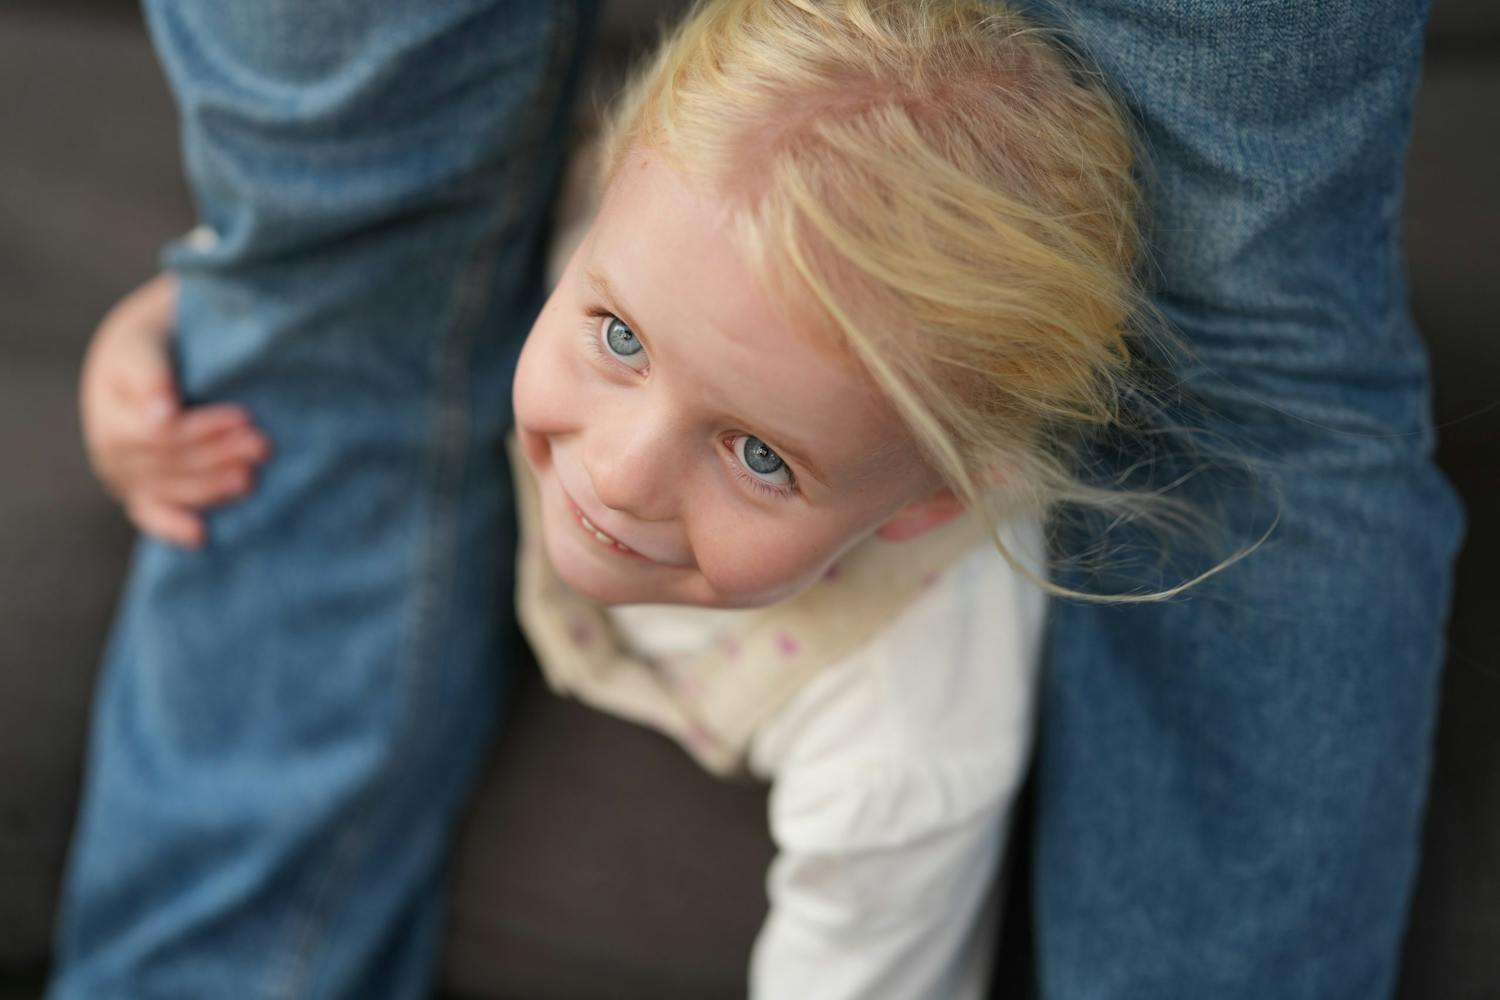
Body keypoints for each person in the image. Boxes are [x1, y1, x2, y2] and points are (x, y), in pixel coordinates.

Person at [60, 1, 1464, 999]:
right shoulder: (663, 266)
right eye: (616, 338)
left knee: (1256, 358)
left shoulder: (900, 750)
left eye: (759, 457)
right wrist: (172, 332)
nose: (616, 471)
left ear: (926, 505)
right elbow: (334, 292)